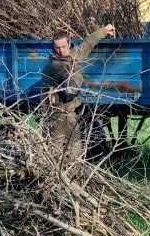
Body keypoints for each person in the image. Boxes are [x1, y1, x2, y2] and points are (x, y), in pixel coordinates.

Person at [41, 22, 115, 162]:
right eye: (57, 48)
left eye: (64, 46)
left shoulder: (73, 56)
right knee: (56, 151)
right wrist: (47, 118)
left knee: (76, 150)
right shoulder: (52, 67)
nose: (61, 50)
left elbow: (87, 44)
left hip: (71, 113)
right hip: (57, 115)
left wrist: (104, 30)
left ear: (69, 44)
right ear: (53, 48)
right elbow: (44, 95)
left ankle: (73, 178)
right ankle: (56, 179)